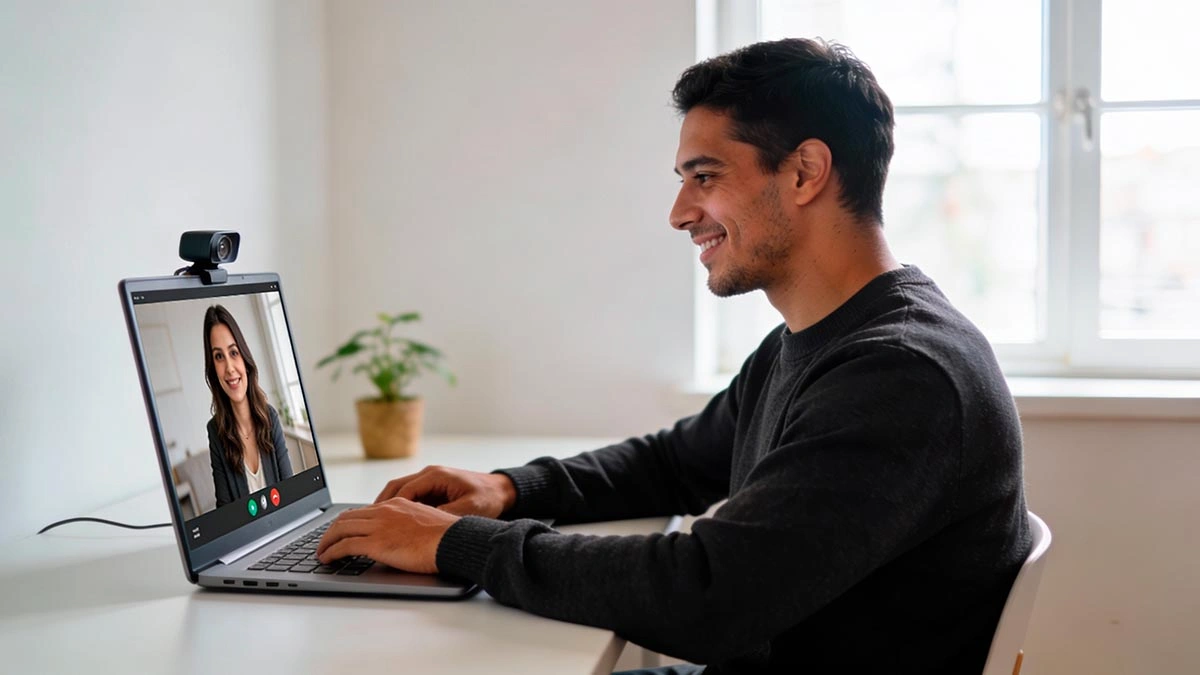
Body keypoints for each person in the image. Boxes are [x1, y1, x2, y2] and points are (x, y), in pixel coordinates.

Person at [316, 38, 1030, 674]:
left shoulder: (901, 374)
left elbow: (709, 592)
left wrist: (458, 545)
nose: (680, 211)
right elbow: (674, 462)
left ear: (806, 171)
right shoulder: (822, 339)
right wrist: (508, 489)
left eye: (705, 176)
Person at [203, 304, 292, 508]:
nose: (229, 368)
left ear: (244, 358)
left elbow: (290, 492)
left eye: (233, 353)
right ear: (213, 369)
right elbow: (225, 511)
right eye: (219, 357)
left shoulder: (270, 418)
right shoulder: (216, 432)